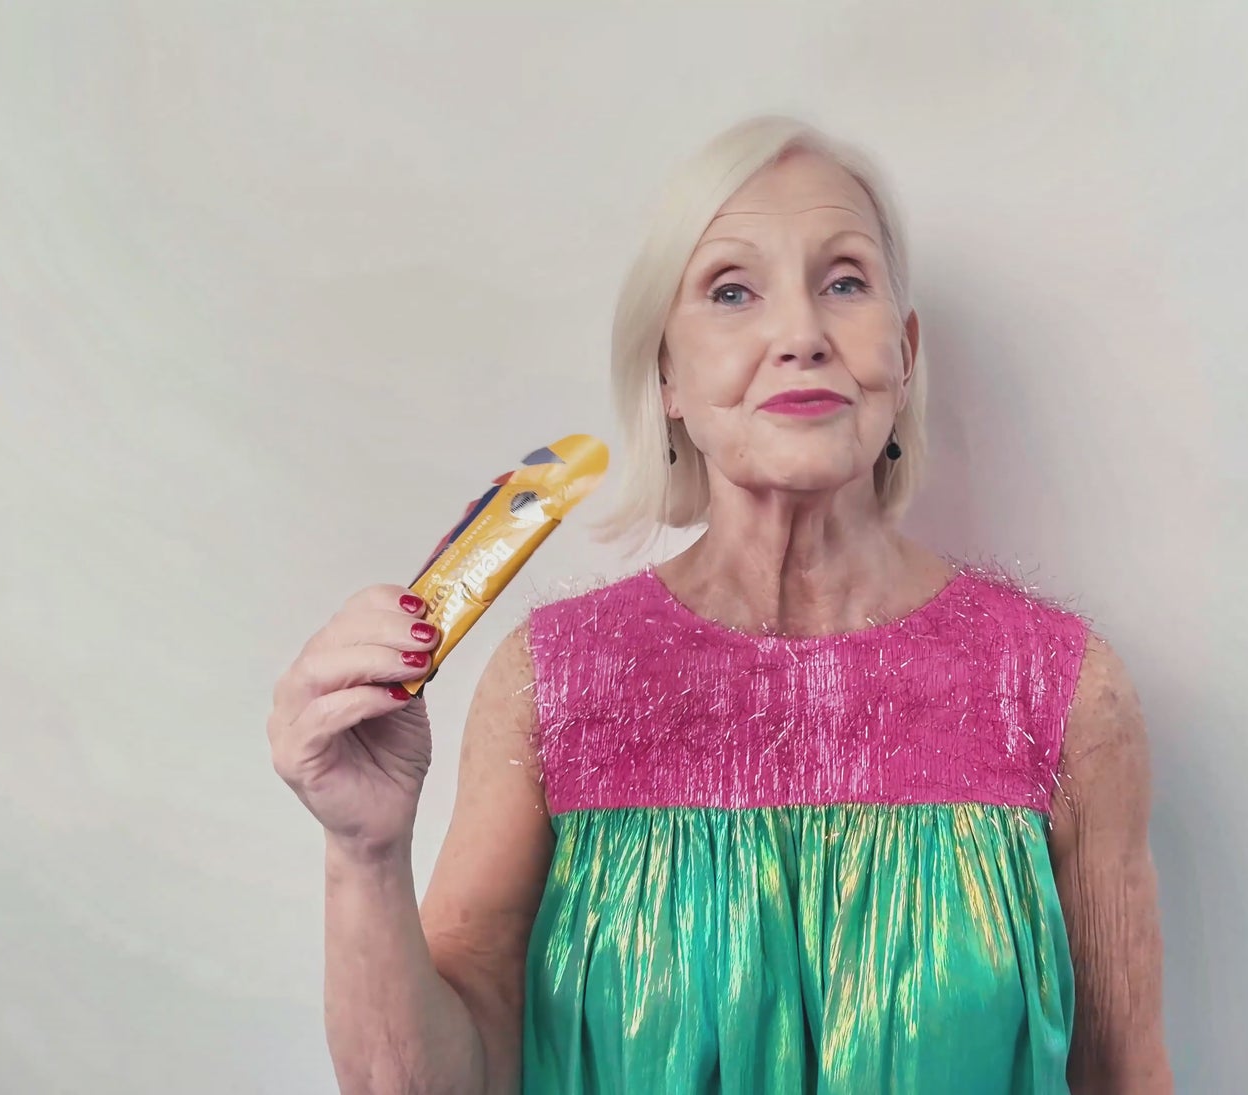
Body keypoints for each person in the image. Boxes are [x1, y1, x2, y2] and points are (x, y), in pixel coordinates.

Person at [268, 115, 1171, 1094]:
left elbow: (1125, 1072)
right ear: (668, 374)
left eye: (844, 282)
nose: (800, 336)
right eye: (732, 291)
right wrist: (363, 852)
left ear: (904, 353)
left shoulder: (1059, 691)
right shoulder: (553, 686)